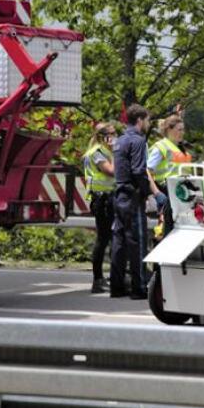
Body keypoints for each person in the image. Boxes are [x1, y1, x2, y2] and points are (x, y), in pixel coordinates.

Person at [110, 104, 153, 299]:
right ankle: (139, 287)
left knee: (119, 241)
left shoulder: (118, 141)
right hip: (133, 195)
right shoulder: (138, 141)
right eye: (147, 119)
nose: (148, 123)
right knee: (137, 241)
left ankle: (116, 286)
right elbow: (138, 170)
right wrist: (146, 192)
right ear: (140, 120)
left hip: (119, 193)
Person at [82, 121, 117, 294]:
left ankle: (111, 276)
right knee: (103, 239)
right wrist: (117, 153)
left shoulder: (106, 151)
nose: (115, 137)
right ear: (103, 137)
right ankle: (97, 280)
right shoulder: (97, 153)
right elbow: (111, 171)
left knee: (110, 239)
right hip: (101, 200)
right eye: (111, 134)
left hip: (109, 198)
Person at [147, 115, 192, 235]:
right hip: (167, 191)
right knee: (167, 230)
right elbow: (147, 170)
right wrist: (157, 193)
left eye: (183, 129)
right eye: (179, 130)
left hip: (182, 193)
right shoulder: (161, 147)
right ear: (169, 130)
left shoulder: (180, 147)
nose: (182, 133)